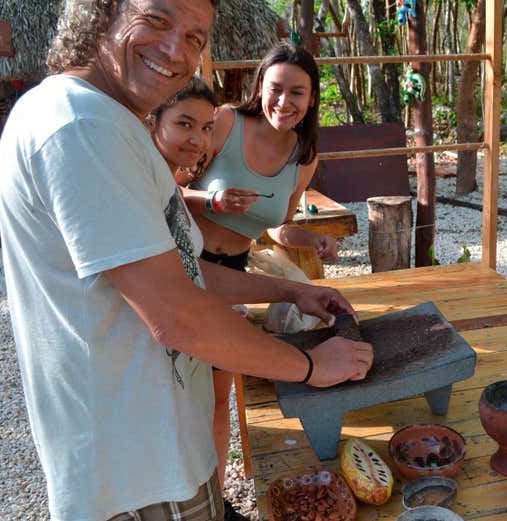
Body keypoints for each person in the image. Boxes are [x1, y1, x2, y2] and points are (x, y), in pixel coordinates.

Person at [0, 2, 373, 521]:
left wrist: (291, 292)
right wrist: (309, 366)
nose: (178, 51)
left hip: (160, 453)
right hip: (135, 473)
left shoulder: (106, 121)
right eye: (156, 19)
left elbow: (185, 272)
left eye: (195, 37)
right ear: (99, 13)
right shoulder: (81, 127)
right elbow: (175, 316)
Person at [176, 42, 338, 512]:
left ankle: (214, 499)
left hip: (234, 274)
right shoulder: (225, 122)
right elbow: (162, 187)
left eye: (297, 93)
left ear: (311, 100)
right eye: (276, 89)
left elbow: (278, 224)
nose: (284, 103)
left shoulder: (303, 157)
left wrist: (313, 241)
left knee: (218, 395)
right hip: (183, 261)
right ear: (259, 88)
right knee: (177, 386)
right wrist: (211, 203)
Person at [148, 77, 250, 520]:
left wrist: (290, 289)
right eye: (184, 124)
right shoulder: (146, 185)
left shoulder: (167, 182)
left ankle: (217, 499)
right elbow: (168, 297)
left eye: (207, 127)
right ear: (154, 122)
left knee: (211, 411)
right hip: (164, 354)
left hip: (195, 331)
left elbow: (195, 272)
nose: (198, 139)